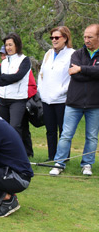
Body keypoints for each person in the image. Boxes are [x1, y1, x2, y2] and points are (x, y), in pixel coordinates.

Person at [50, 24, 99, 176]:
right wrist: (90, 72)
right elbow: (74, 73)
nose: (86, 40)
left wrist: (82, 69)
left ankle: (87, 165)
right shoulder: (77, 54)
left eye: (90, 37)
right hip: (74, 102)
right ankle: (59, 163)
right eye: (85, 37)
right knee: (66, 134)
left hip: (95, 104)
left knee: (91, 136)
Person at [38, 26, 75, 162]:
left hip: (62, 99)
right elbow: (41, 73)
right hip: (46, 99)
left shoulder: (72, 54)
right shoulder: (48, 53)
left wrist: (60, 91)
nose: (54, 40)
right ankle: (51, 157)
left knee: (63, 131)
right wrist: (41, 90)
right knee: (50, 130)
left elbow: (71, 78)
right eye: (52, 37)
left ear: (65, 38)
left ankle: (64, 158)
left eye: (57, 37)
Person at [0, 45, 37, 157]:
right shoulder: (0, 67)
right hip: (4, 100)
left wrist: (26, 98)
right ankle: (8, 153)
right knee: (7, 127)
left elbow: (30, 84)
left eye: (5, 54)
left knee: (21, 127)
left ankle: (27, 152)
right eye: (2, 55)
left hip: (21, 101)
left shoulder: (22, 64)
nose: (3, 56)